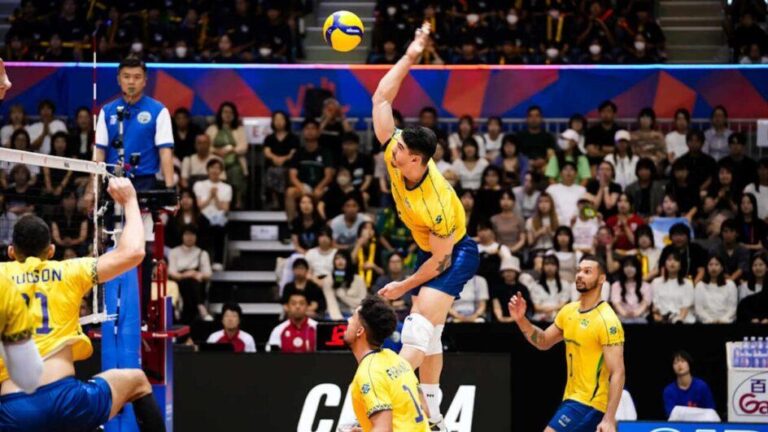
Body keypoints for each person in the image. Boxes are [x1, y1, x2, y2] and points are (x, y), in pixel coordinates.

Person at [371, 23, 480, 431]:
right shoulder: (396, 150)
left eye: (400, 148)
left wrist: (401, 286)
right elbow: (382, 96)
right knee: (430, 333)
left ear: (416, 160)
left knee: (416, 327)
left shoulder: (435, 202)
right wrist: (412, 53)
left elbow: (439, 262)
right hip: (431, 252)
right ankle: (434, 419)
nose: (392, 146)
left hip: (455, 254)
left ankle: (380, 394)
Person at [0, 179, 165, 431]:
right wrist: (130, 200)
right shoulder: (69, 270)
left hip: (13, 410)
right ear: (51, 250)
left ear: (11, 252)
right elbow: (133, 252)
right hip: (68, 401)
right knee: (137, 381)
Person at [508, 255, 626, 432]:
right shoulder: (569, 311)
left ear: (601, 279)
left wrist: (609, 419)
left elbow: (618, 372)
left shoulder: (607, 320)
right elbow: (543, 341)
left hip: (590, 403)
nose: (580, 275)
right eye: (578, 270)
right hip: (571, 398)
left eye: (587, 272)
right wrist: (521, 319)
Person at [344, 295, 429, 432]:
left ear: (360, 331)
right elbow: (423, 408)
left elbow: (383, 429)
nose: (348, 320)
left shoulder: (369, 373)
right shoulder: (395, 359)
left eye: (353, 318)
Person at [94, 58, 174, 190]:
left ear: (144, 81)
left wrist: (170, 189)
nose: (131, 82)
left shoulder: (159, 110)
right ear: (119, 80)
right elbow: (99, 151)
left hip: (145, 181)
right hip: (112, 180)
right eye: (126, 77)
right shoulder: (107, 111)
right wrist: (94, 189)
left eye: (137, 77)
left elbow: (165, 151)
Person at [285, 119, 336, 221]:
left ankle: (318, 224)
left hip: (321, 186)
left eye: (313, 128)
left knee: (318, 194)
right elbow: (292, 176)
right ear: (303, 132)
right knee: (290, 192)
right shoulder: (298, 153)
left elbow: (328, 176)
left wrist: (319, 187)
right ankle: (292, 225)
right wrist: (302, 188)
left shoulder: (325, 152)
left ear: (318, 132)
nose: (310, 131)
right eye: (307, 128)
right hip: (303, 186)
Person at [206, 102, 248, 208]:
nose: (227, 114)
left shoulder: (239, 129)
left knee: (236, 170)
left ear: (234, 115)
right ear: (220, 114)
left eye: (230, 112)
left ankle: (238, 201)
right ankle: (219, 201)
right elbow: (206, 146)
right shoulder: (212, 129)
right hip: (215, 158)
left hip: (235, 158)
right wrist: (217, 151)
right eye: (225, 112)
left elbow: (244, 147)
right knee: (217, 168)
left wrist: (231, 150)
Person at [168, 225, 213, 324]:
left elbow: (208, 273)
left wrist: (197, 274)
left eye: (192, 234)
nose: (189, 237)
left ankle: (186, 315)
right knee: (187, 282)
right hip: (179, 282)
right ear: (182, 236)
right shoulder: (174, 252)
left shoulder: (202, 253)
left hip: (197, 283)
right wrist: (186, 275)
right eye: (187, 234)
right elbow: (171, 272)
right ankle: (200, 306)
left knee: (192, 283)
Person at [193, 159, 232, 269]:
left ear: (221, 171)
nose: (215, 170)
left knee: (220, 226)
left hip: (219, 216)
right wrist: (210, 195)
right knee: (203, 224)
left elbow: (225, 208)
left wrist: (216, 197)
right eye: (212, 167)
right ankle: (202, 261)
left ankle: (218, 261)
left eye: (217, 168)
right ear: (208, 170)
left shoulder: (227, 188)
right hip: (204, 215)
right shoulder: (199, 185)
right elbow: (200, 206)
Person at [662, 351, 715, 418]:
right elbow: (670, 414)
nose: (679, 365)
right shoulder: (669, 390)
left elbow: (711, 411)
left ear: (689, 364)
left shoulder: (701, 386)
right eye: (675, 363)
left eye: (683, 361)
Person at [264, 111, 299, 210]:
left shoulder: (293, 137)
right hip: (273, 164)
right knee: (272, 171)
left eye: (281, 119)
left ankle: (284, 200)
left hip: (289, 164)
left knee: (282, 171)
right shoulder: (269, 138)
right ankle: (275, 201)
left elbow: (293, 152)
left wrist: (283, 159)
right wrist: (274, 158)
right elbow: (267, 151)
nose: (279, 122)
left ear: (286, 121)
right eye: (276, 119)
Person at [652, 250, 696, 324]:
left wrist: (678, 320)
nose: (672, 262)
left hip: (683, 320)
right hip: (663, 320)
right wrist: (659, 318)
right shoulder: (656, 282)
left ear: (680, 265)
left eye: (676, 260)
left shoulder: (688, 283)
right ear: (665, 264)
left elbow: (685, 307)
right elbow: (655, 306)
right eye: (669, 260)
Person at [323, 250, 367, 320]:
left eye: (343, 258)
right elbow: (331, 302)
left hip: (354, 315)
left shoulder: (358, 280)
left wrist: (343, 297)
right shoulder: (328, 280)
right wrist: (338, 321)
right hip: (333, 316)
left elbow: (362, 303)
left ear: (348, 260)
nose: (340, 261)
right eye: (337, 258)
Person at [694, 255, 738, 323]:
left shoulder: (730, 284)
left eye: (717, 264)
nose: (713, 267)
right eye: (710, 265)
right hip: (706, 323)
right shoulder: (700, 286)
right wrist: (710, 321)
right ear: (707, 268)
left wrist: (723, 320)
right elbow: (699, 309)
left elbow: (732, 308)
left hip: (726, 323)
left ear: (722, 268)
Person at [527, 254, 571, 322]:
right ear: (543, 267)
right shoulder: (535, 285)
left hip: (559, 317)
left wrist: (551, 311)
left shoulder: (565, 284)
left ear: (557, 267)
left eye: (553, 264)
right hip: (539, 318)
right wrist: (550, 310)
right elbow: (536, 307)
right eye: (547, 264)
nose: (549, 267)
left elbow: (563, 305)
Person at [610, 256, 652, 323]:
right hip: (622, 318)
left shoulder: (646, 286)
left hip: (640, 318)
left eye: (632, 266)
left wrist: (635, 314)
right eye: (626, 266)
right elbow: (616, 304)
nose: (629, 269)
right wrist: (625, 314)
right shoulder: (616, 285)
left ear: (637, 268)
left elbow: (645, 304)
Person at [492, 256, 532, 323]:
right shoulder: (496, 288)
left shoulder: (523, 288)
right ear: (502, 273)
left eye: (511, 271)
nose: (508, 273)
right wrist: (501, 318)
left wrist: (513, 318)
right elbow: (496, 305)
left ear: (516, 273)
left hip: (520, 320)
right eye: (506, 271)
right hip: (500, 320)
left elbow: (525, 307)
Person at [517, 105, 556, 173]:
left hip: (544, 165)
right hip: (525, 165)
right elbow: (516, 153)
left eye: (537, 116)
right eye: (531, 116)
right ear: (527, 119)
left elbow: (552, 153)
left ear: (541, 118)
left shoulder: (548, 136)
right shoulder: (519, 136)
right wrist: (528, 162)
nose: (534, 119)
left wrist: (544, 161)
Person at [490, 189, 526, 255]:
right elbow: (492, 238)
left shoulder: (519, 219)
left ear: (514, 202)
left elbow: (522, 239)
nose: (505, 202)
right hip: (498, 252)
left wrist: (512, 250)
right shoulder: (494, 219)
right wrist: (500, 250)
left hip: (515, 252)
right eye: (503, 199)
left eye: (509, 199)